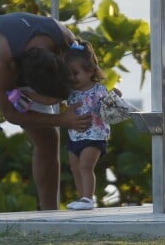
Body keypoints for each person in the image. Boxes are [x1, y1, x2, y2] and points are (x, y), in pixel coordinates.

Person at [0, 12, 92, 213]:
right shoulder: (1, 60)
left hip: (24, 65)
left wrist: (100, 94)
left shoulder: (65, 39)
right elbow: (12, 114)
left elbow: (88, 65)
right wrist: (61, 119)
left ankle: (49, 214)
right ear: (25, 83)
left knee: (48, 138)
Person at [64, 40, 110, 210]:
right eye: (68, 74)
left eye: (75, 73)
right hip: (75, 135)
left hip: (95, 135)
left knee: (85, 166)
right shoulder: (69, 92)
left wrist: (116, 97)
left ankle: (88, 199)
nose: (72, 78)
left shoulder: (99, 90)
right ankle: (82, 197)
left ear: (91, 71)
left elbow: (111, 105)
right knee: (75, 167)